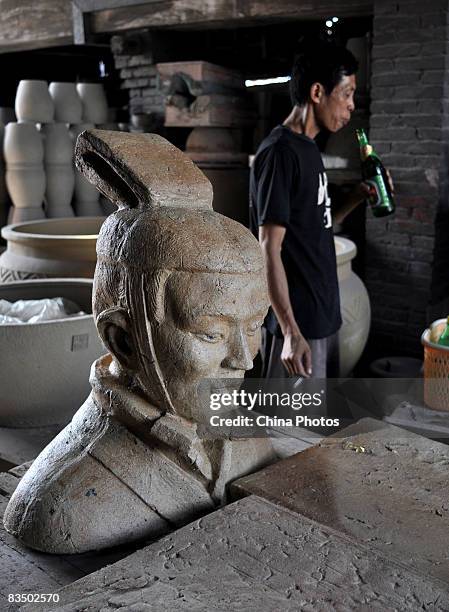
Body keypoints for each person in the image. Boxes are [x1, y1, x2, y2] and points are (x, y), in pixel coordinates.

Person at [250, 41, 379, 379]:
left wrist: (356, 196)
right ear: (318, 92)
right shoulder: (280, 153)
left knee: (317, 424)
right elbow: (269, 248)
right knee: (288, 429)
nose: (351, 106)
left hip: (323, 315)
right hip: (298, 325)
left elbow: (317, 225)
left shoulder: (308, 148)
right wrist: (290, 331)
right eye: (347, 93)